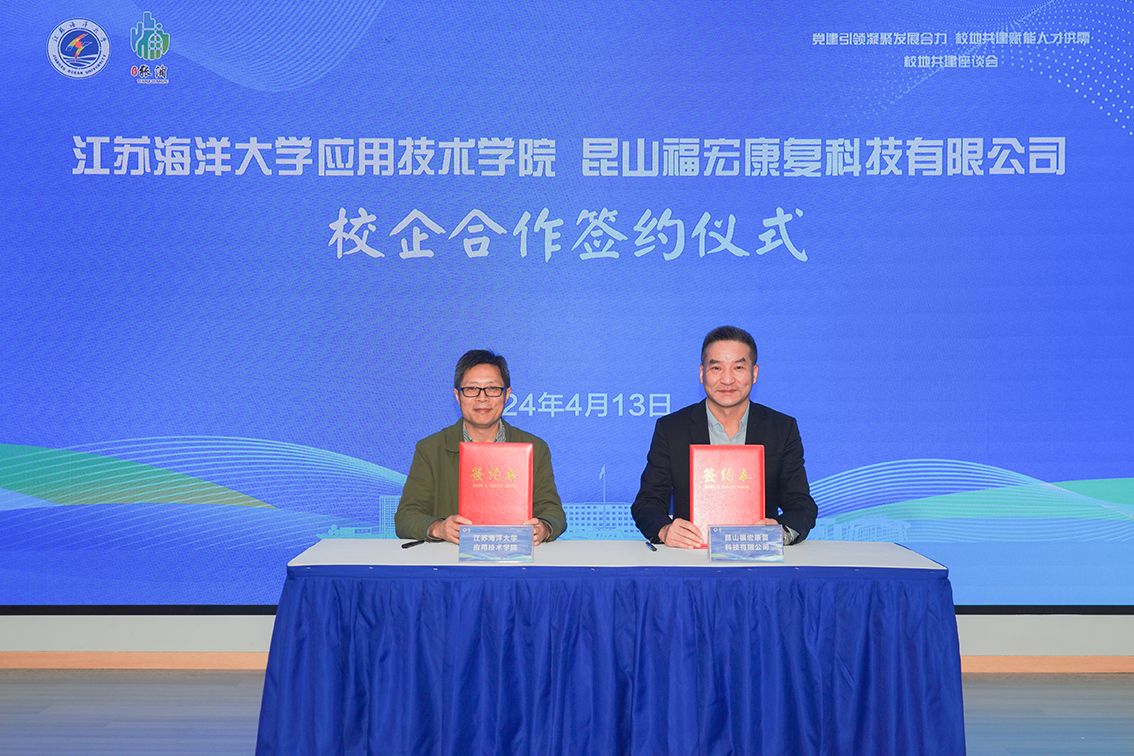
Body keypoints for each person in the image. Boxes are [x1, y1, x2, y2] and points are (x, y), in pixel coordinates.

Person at [631, 326, 817, 548]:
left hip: (758, 556)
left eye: (738, 367)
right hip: (691, 555)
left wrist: (780, 531)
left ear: (754, 373)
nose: (727, 379)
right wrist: (664, 530)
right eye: (716, 368)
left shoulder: (781, 428)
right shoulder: (672, 429)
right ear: (702, 373)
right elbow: (647, 502)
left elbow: (801, 504)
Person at [395, 349, 567, 545]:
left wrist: (544, 528)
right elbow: (406, 517)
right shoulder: (431, 449)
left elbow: (553, 511)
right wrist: (439, 528)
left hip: (513, 556)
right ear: (457, 396)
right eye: (471, 389)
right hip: (450, 557)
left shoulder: (534, 447)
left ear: (507, 395)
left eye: (492, 388)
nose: (482, 398)